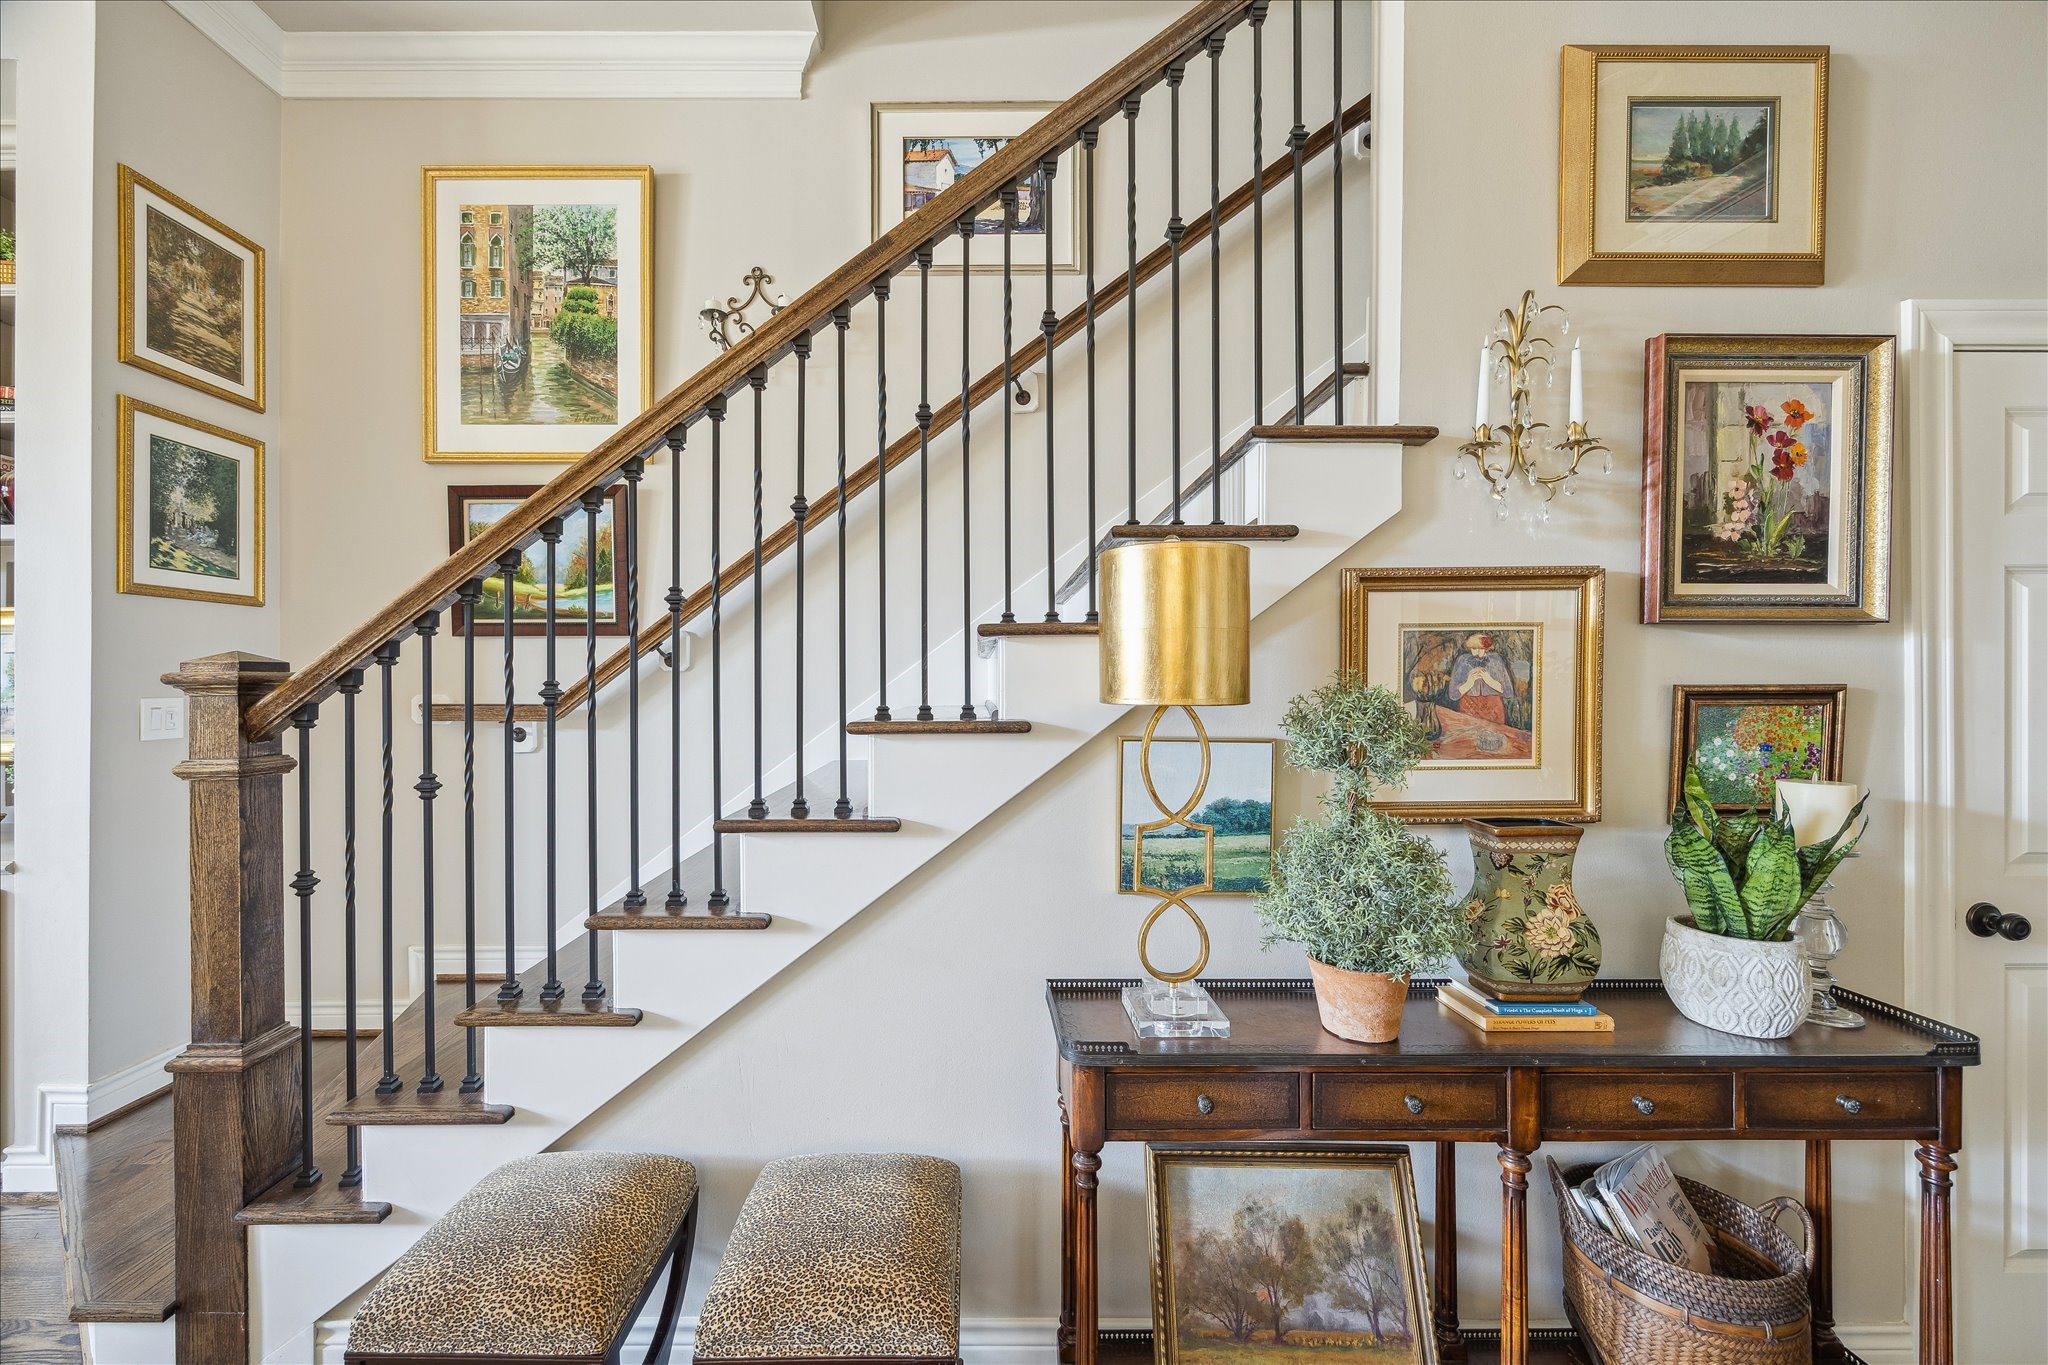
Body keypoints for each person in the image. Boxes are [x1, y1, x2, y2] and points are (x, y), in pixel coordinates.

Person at [1449, 633, 1514, 727]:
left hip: (1493, 707)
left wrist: (1489, 680)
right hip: (1468, 706)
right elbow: (1453, 694)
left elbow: (1508, 692)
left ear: (1486, 648)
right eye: (1473, 648)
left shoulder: (1496, 660)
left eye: (1478, 649)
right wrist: (1469, 683)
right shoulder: (1462, 661)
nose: (1475, 653)